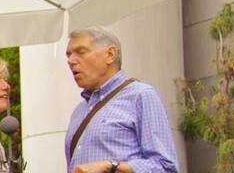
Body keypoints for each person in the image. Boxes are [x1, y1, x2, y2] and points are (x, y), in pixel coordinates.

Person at [63, 27, 179, 173]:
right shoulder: (79, 110)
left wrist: (111, 166)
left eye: (81, 52)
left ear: (110, 54)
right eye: (68, 55)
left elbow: (165, 167)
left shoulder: (141, 95)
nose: (71, 61)